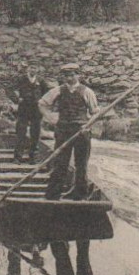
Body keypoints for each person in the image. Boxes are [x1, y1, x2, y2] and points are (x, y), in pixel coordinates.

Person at [39, 63, 98, 200]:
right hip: (63, 130)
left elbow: (95, 112)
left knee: (81, 164)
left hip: (82, 131)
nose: (69, 78)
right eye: (66, 75)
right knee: (60, 162)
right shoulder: (58, 90)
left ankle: (80, 194)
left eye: (72, 75)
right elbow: (42, 104)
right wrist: (51, 119)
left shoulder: (87, 92)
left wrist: (88, 125)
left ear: (78, 75)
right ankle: (53, 194)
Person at [9, 61, 48, 163]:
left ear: (38, 69)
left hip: (36, 110)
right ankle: (17, 157)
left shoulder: (41, 80)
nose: (33, 70)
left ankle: (33, 157)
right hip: (24, 109)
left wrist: (42, 102)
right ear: (27, 69)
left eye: (35, 68)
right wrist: (17, 99)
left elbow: (47, 93)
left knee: (35, 134)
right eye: (31, 67)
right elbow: (10, 89)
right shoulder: (21, 79)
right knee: (21, 132)